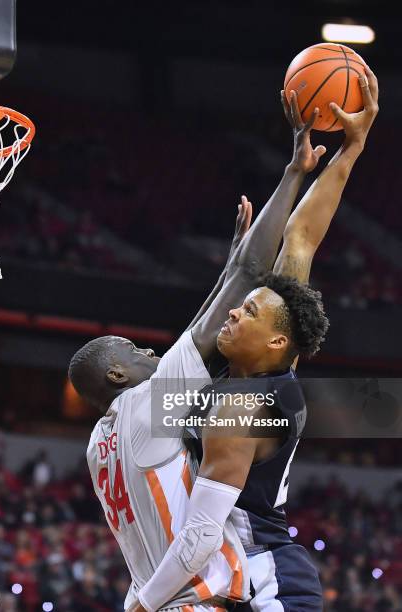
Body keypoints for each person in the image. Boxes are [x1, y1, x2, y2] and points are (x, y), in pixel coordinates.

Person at [133, 66, 379, 612]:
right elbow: (303, 237)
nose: (234, 313)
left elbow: (199, 537)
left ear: (276, 345)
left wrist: (138, 604)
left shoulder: (246, 404)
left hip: (271, 583)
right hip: (238, 573)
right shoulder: (254, 371)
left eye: (247, 312)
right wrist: (349, 150)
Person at [69, 95, 326, 611]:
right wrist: (293, 174)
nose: (150, 352)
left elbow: (218, 307)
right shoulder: (151, 405)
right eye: (136, 350)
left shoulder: (101, 446)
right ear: (118, 374)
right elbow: (251, 277)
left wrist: (224, 278)